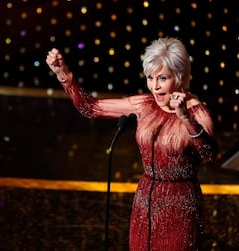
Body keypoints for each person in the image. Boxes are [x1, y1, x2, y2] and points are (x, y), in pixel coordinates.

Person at [46, 37, 216, 251]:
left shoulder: (198, 112)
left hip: (181, 204)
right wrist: (64, 75)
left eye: (162, 78)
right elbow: (90, 108)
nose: (155, 86)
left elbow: (210, 154)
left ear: (179, 76)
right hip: (145, 200)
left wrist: (185, 119)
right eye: (150, 77)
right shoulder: (143, 104)